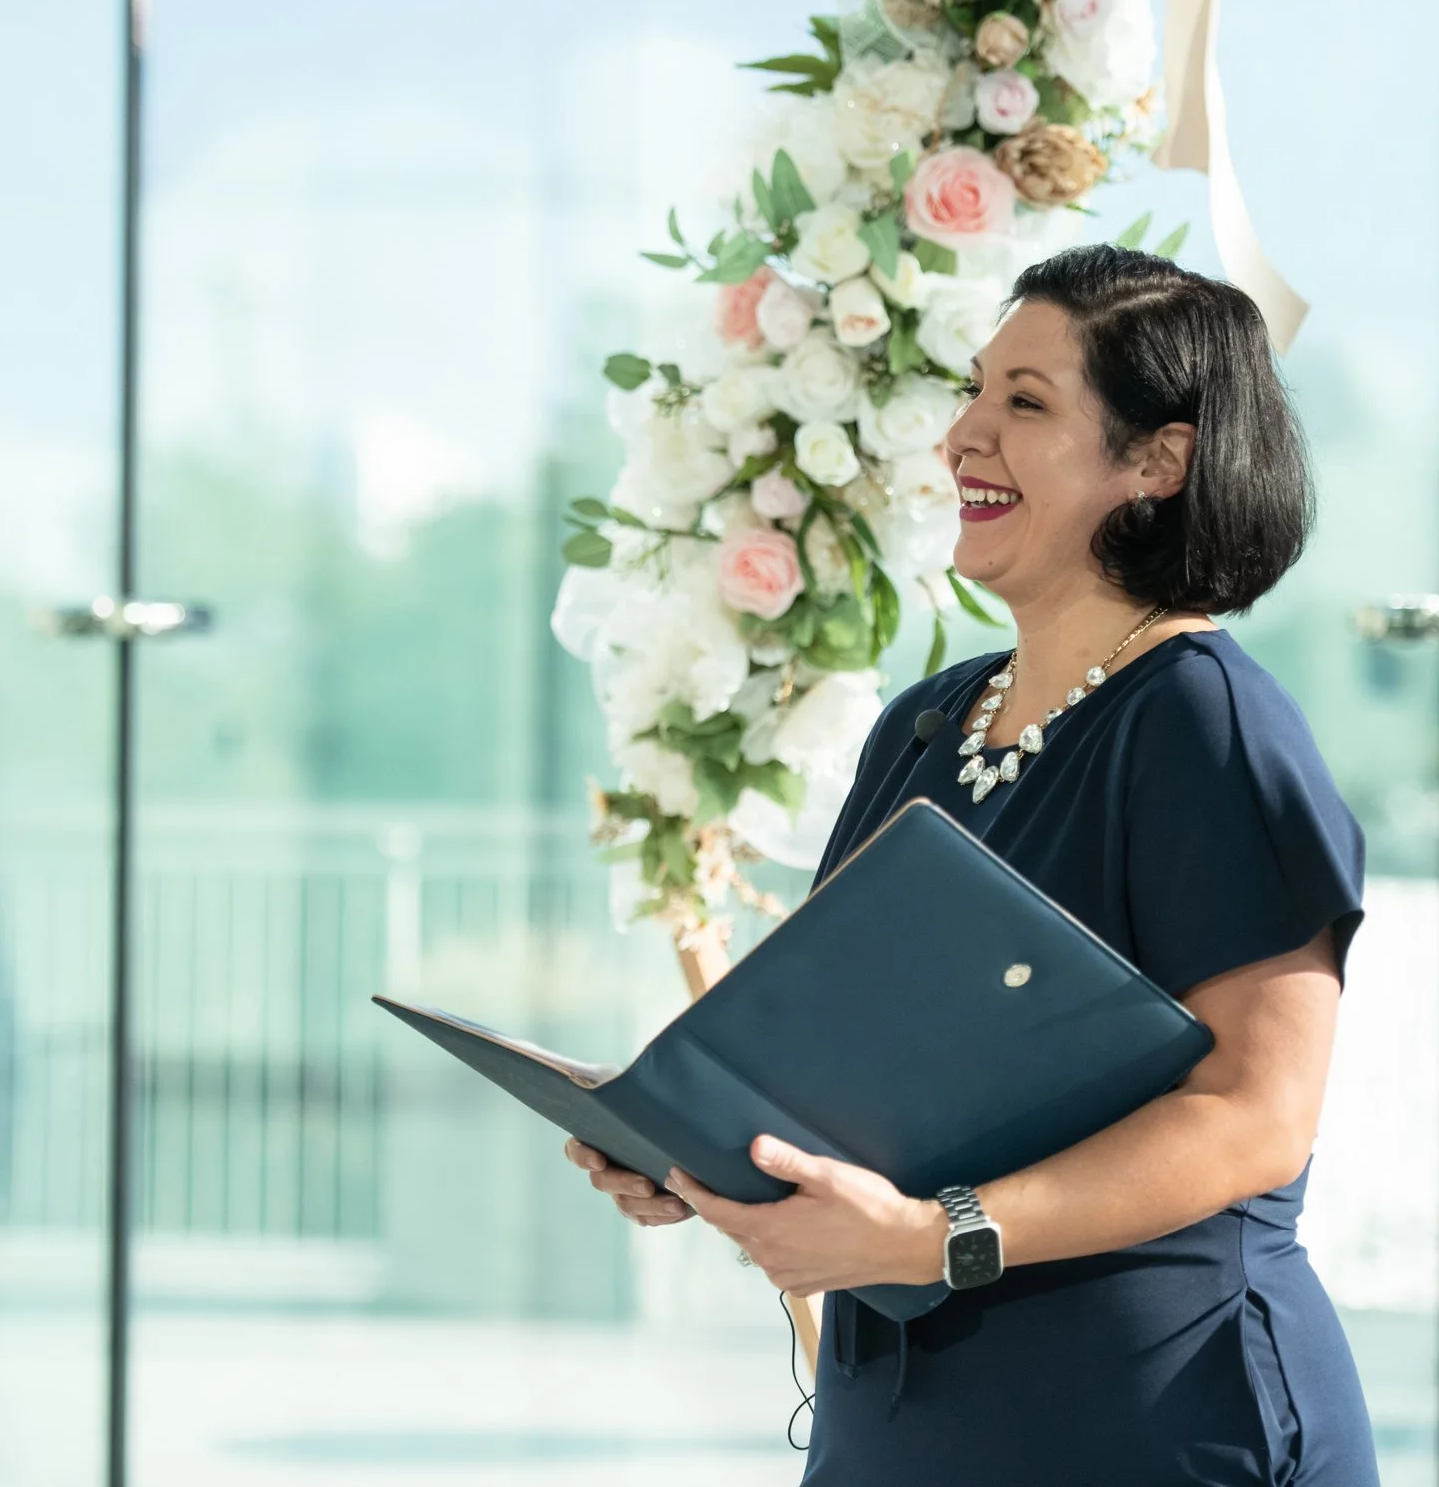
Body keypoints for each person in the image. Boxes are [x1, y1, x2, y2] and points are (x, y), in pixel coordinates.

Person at [563, 243, 1376, 1484]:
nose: (961, 435)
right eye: (974, 389)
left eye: (1026, 402)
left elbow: (1256, 1116)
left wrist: (938, 1236)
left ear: (1157, 461)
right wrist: (694, 1149)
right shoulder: (925, 724)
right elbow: (833, 1069)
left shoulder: (1202, 720)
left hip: (1155, 1418)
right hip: (909, 1420)